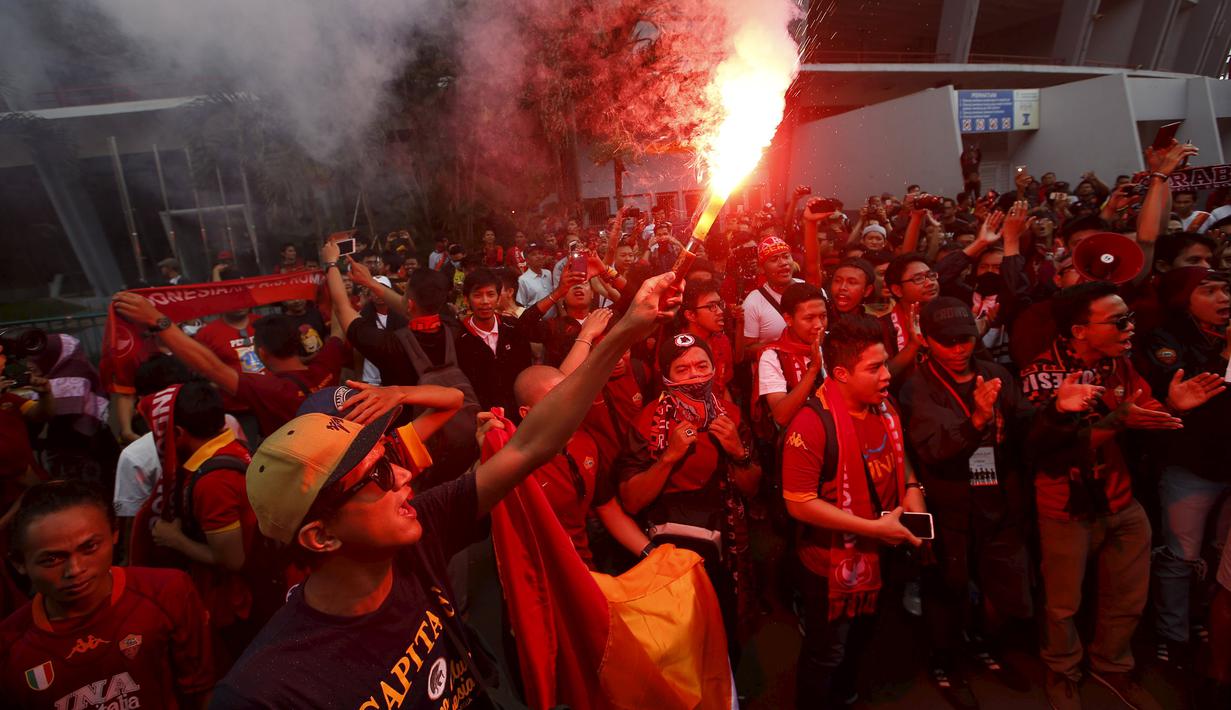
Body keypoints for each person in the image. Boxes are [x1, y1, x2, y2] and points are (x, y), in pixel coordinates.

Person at [210, 271, 681, 709]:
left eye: (388, 463)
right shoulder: (270, 691)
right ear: (320, 536)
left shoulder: (421, 535)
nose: (404, 475)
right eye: (377, 477)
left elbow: (532, 444)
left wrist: (622, 332)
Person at [1020, 281, 1223, 710]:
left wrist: (1171, 405)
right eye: (1119, 322)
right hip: (1065, 506)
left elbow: (1142, 414)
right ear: (1079, 330)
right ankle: (1062, 671)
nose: (1131, 328)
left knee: (1128, 596)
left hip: (1121, 499)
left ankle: (1112, 666)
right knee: (1063, 604)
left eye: (1129, 318)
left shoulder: (1121, 365)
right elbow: (1052, 448)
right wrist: (1120, 421)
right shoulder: (1043, 374)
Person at [780, 314, 926, 708]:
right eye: (874, 368)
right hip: (830, 566)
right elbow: (799, 503)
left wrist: (912, 490)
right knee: (826, 652)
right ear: (841, 373)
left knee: (861, 639)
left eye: (884, 364)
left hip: (881, 554)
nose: (886, 377)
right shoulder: (811, 425)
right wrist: (873, 529)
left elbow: (900, 458)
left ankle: (845, 695)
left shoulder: (883, 407)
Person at [898, 298, 1034, 707]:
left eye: (966, 340)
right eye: (948, 341)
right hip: (947, 504)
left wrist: (1060, 411)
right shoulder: (916, 387)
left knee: (1005, 586)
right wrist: (975, 421)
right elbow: (936, 450)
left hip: (997, 501)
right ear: (926, 340)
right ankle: (944, 663)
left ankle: (983, 646)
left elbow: (1025, 426)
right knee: (946, 589)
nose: (959, 349)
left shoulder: (994, 374)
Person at [0, 480, 214, 710]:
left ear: (114, 534)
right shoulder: (10, 647)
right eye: (52, 559)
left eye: (89, 547)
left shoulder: (167, 592)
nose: (75, 570)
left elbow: (201, 692)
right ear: (19, 563)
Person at [613, 333, 760, 654]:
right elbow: (632, 500)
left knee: (723, 624)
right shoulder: (647, 422)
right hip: (668, 551)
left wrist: (738, 451)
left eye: (701, 366)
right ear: (666, 376)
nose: (695, 376)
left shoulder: (731, 418)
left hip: (725, 542)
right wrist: (669, 457)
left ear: (716, 368)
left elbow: (752, 488)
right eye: (683, 370)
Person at [1140, 267, 1231, 668]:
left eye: (1226, 289)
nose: (1224, 299)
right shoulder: (1167, 338)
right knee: (1182, 553)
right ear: (1184, 299)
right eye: (1208, 291)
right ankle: (1171, 634)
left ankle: (1206, 621)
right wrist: (1226, 355)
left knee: (1221, 555)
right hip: (1191, 464)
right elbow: (1180, 389)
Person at [112, 296, 347, 437]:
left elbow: (211, 367)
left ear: (261, 352)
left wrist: (158, 320)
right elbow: (338, 330)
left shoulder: (269, 389)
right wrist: (332, 268)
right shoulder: (325, 365)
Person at [456, 269, 533, 418]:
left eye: (490, 294)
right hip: (481, 418)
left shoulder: (513, 329)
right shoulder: (458, 338)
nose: (485, 301)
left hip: (519, 414)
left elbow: (526, 370)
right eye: (477, 295)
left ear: (498, 298)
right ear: (466, 299)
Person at [756, 283, 827, 429]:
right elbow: (781, 416)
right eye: (809, 318)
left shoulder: (835, 343)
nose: (819, 325)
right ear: (788, 319)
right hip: (798, 435)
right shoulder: (772, 356)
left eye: (823, 316)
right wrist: (813, 369)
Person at [880, 252, 940, 381]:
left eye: (931, 275)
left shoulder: (947, 317)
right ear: (897, 290)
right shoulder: (882, 326)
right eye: (918, 279)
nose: (930, 283)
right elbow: (881, 375)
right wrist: (913, 345)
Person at [740, 235, 801, 359]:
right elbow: (746, 351)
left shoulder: (808, 290)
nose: (783, 263)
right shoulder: (753, 302)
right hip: (774, 375)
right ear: (762, 268)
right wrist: (782, 346)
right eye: (774, 259)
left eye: (786, 256)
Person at [678, 279, 734, 398]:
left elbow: (722, 388)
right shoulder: (677, 350)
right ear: (691, 315)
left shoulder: (722, 341)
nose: (720, 311)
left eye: (719, 305)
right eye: (711, 306)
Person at [516, 242, 556, 314]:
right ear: (527, 260)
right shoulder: (523, 280)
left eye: (540, 253)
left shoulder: (548, 273)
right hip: (535, 322)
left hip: (553, 320)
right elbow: (520, 306)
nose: (539, 256)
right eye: (534, 254)